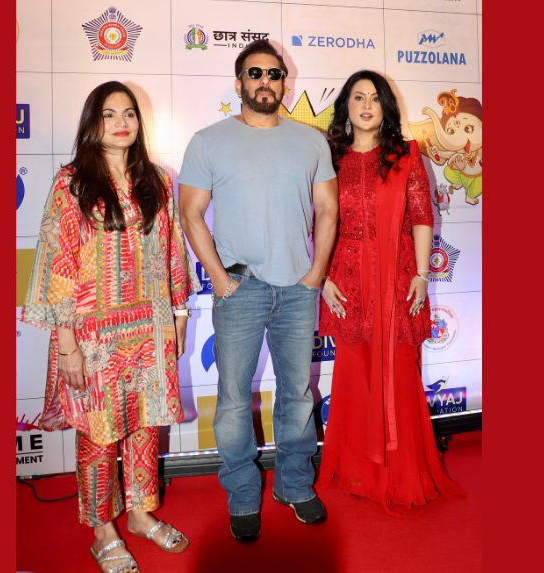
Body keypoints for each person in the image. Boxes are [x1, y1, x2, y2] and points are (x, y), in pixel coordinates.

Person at [21, 81, 199, 573]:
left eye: (129, 114)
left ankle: (141, 514)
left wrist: (179, 314)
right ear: (92, 123)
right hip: (93, 337)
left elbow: (172, 250)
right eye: (108, 114)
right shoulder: (73, 182)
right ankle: (103, 530)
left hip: (150, 327)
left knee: (145, 426)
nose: (121, 123)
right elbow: (58, 263)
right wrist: (68, 345)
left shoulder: (157, 180)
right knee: (98, 435)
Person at [178, 39, 339, 542]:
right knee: (232, 400)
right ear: (239, 82)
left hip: (298, 290)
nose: (265, 81)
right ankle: (243, 493)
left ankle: (294, 485)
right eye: (255, 73)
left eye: (274, 73)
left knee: (296, 394)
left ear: (284, 82)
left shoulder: (311, 141)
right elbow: (190, 213)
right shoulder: (208, 141)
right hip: (240, 288)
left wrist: (315, 274)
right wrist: (219, 278)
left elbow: (328, 209)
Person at [317, 70, 463, 514]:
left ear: (386, 107)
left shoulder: (406, 155)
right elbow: (316, 219)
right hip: (347, 278)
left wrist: (421, 274)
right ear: (345, 107)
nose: (366, 106)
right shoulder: (329, 157)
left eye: (374, 98)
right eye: (358, 97)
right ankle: (357, 471)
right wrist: (322, 277)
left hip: (397, 278)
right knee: (354, 372)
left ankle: (401, 473)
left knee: (399, 369)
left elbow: (422, 216)